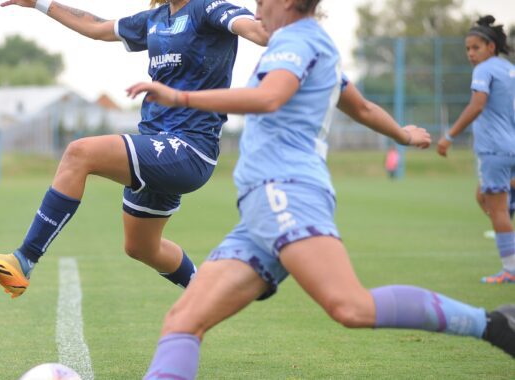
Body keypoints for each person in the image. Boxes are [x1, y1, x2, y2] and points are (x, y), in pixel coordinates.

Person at [126, 1, 515, 377]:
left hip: (287, 193)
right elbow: (360, 108)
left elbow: (268, 97)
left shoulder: (300, 41)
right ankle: (494, 324)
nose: (256, 10)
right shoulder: (301, 43)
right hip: (262, 211)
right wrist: (403, 134)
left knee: (350, 306)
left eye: (263, 1)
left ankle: (493, 325)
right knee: (183, 320)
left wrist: (181, 97)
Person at [0, 0, 270, 298]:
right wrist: (38, 3)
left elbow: (255, 31)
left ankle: (24, 260)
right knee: (141, 247)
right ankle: (209, 293)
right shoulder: (155, 19)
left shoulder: (208, 8)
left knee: (80, 153)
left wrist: (284, 31)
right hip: (157, 144)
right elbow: (97, 27)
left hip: (189, 149)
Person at [437, 15, 515, 284]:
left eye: (475, 48)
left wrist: (449, 135)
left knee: (498, 209)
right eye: (468, 49)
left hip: (495, 149)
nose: (471, 54)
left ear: (490, 47)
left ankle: (510, 269)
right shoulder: (508, 69)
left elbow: (477, 105)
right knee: (483, 197)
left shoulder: (484, 71)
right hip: (510, 146)